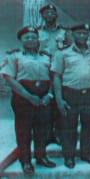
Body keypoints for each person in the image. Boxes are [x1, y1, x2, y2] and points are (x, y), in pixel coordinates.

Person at [0, 27, 56, 174]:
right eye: (27, 37)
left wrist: (48, 95)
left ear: (38, 39)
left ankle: (41, 156)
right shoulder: (14, 56)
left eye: (33, 37)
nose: (30, 40)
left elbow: (53, 78)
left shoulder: (46, 57)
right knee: (24, 131)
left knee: (42, 130)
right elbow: (9, 78)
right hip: (23, 98)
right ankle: (25, 161)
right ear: (21, 40)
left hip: (43, 98)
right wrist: (28, 96)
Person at [51, 24, 90, 168]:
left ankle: (87, 154)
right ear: (72, 35)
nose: (82, 36)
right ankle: (69, 156)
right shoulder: (62, 54)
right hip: (70, 93)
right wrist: (59, 99)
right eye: (79, 33)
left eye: (85, 34)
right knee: (68, 127)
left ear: (88, 36)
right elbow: (56, 77)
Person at [38, 4, 69, 145]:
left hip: (60, 71)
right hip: (43, 70)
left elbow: (69, 50)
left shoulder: (64, 33)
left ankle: (58, 134)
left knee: (59, 102)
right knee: (45, 104)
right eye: (46, 13)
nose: (49, 16)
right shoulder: (38, 32)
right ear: (42, 16)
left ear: (56, 16)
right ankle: (46, 134)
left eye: (52, 13)